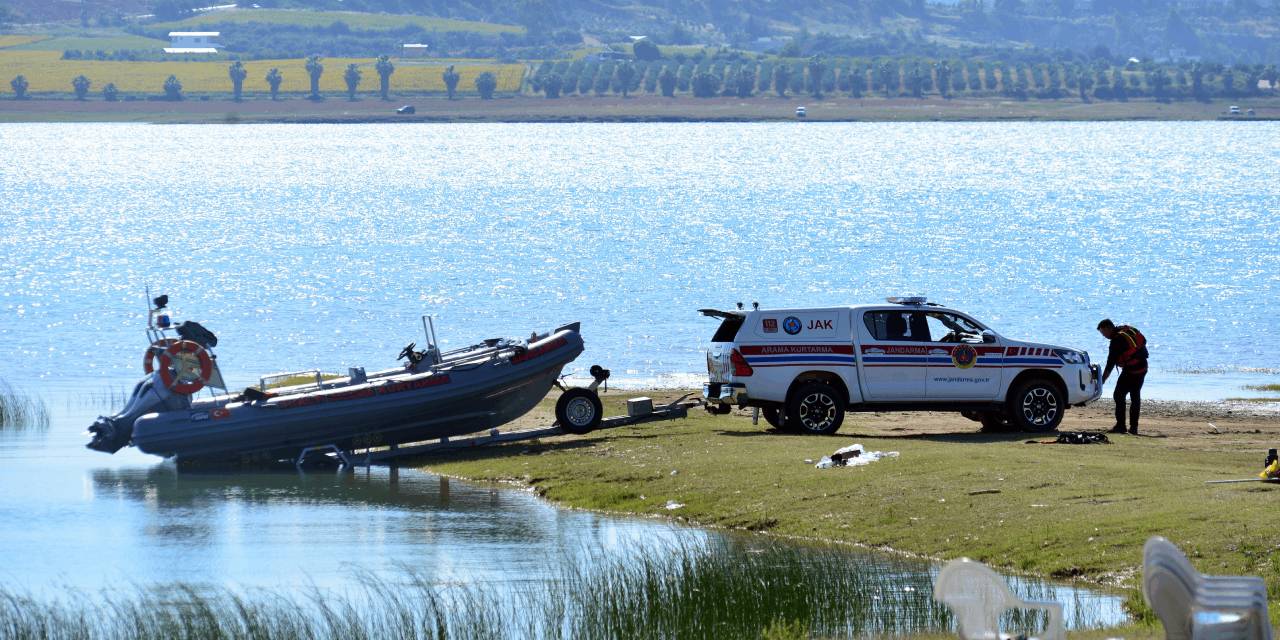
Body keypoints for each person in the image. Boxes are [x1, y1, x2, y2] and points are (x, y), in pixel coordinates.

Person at [1097, 318, 1148, 434]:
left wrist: (1102, 380)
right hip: (1143, 367)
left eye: (1103, 332)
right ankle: (1133, 428)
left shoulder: (1116, 340)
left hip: (1132, 370)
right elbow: (1144, 342)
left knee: (1118, 395)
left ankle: (1121, 426)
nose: (1104, 336)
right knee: (1135, 396)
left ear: (1108, 328)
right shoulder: (1126, 331)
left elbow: (1110, 363)